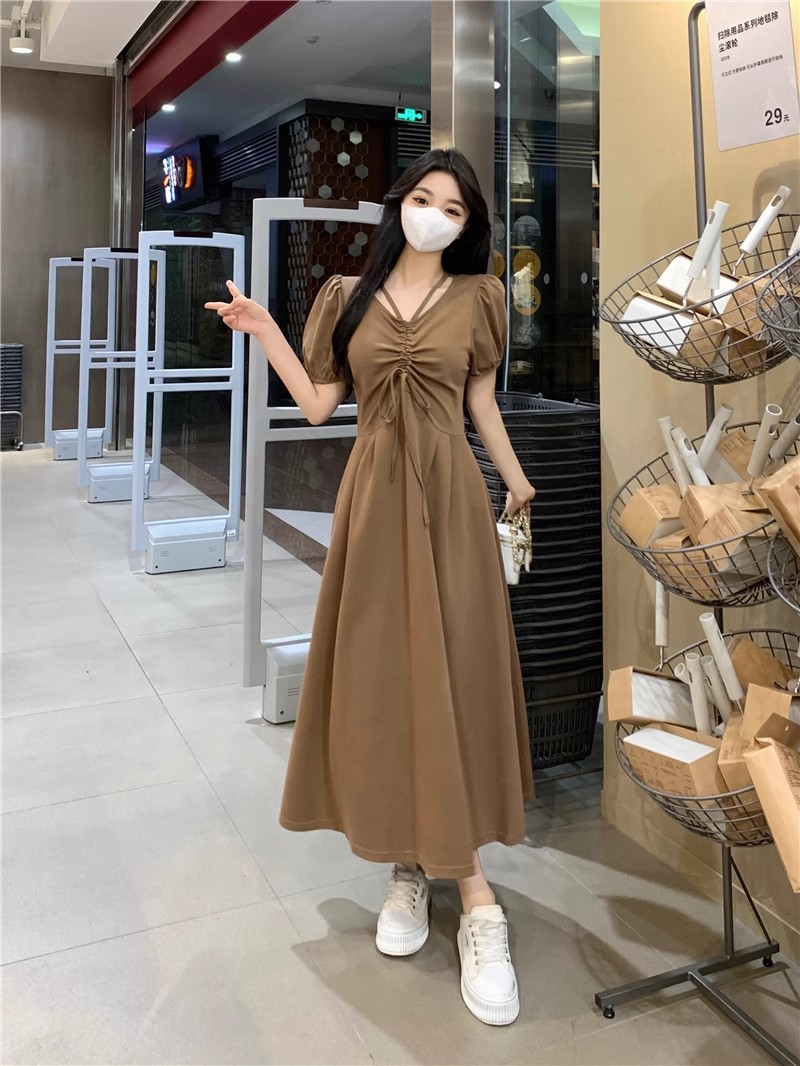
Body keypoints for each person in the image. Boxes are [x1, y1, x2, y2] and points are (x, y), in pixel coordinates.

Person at [206, 148, 536, 1026]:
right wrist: (264, 329)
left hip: (451, 501)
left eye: (454, 209)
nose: (435, 216)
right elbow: (320, 405)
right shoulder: (346, 297)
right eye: (424, 199)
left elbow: (480, 404)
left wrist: (517, 483)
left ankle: (474, 895)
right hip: (374, 503)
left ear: (469, 226)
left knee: (454, 677)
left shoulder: (481, 299)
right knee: (387, 682)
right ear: (399, 204)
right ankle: (409, 862)